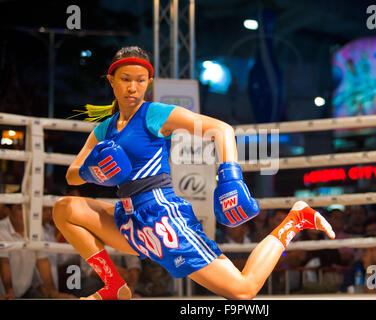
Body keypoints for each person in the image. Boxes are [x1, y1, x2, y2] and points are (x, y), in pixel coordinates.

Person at [52, 46, 335, 300]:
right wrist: (94, 171)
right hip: (129, 220)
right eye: (125, 79)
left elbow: (220, 130)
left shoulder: (153, 114)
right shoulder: (104, 129)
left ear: (148, 82)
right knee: (64, 208)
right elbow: (72, 175)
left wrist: (230, 178)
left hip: (162, 217)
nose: (132, 88)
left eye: (140, 80)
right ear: (111, 80)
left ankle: (296, 219)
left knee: (243, 290)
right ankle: (113, 285)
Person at [0, 204, 75, 299]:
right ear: (8, 211)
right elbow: (3, 264)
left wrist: (53, 293)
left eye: (28, 208)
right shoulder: (1, 229)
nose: (25, 213)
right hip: (4, 293)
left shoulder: (36, 229)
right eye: (20, 208)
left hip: (25, 290)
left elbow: (42, 262)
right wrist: (9, 292)